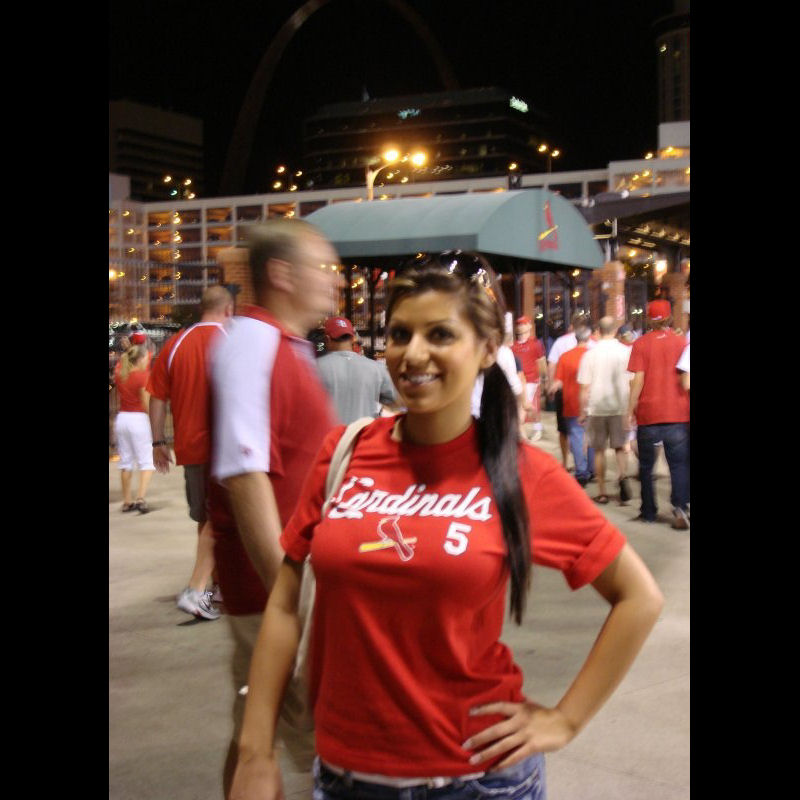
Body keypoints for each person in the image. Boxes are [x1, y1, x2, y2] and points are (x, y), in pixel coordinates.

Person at [229, 250, 663, 800]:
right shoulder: (345, 452)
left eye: (439, 334)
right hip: (342, 776)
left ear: (486, 349)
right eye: (400, 334)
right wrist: (255, 749)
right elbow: (286, 604)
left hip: (474, 779)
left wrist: (565, 719)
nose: (413, 354)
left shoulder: (521, 471)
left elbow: (639, 597)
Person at [207, 218, 340, 796]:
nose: (334, 281)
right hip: (275, 591)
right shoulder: (253, 344)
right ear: (282, 274)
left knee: (256, 738)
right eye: (323, 268)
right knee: (315, 739)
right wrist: (290, 599)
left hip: (287, 586)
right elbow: (245, 476)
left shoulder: (284, 346)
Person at [147, 285, 235, 621]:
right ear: (228, 310)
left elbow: (157, 397)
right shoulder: (231, 341)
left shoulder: (175, 344)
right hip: (227, 449)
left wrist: (158, 443)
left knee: (205, 519)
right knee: (224, 521)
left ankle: (214, 586)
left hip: (191, 449)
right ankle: (202, 589)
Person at [626, 299, 690, 529]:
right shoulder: (682, 342)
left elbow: (638, 380)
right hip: (678, 412)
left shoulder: (641, 344)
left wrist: (630, 409)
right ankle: (680, 508)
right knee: (679, 465)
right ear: (669, 317)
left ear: (648, 319)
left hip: (648, 413)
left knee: (646, 467)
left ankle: (648, 512)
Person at [577, 316, 633, 505]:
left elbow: (584, 387)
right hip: (620, 406)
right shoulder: (625, 352)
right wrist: (631, 409)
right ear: (616, 330)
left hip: (597, 407)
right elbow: (632, 381)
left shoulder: (590, 355)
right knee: (620, 447)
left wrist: (582, 411)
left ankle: (602, 491)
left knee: (599, 450)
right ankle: (622, 475)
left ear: (598, 331)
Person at [315, 315, 401, 424]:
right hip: (363, 433)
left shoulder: (315, 367)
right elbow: (398, 402)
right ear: (352, 338)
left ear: (327, 339)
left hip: (329, 434)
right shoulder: (376, 369)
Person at [546, 312, 595, 470]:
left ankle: (567, 462)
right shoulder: (594, 344)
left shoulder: (561, 342)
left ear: (571, 326)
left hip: (566, 392)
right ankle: (590, 467)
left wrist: (551, 386)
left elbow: (552, 365)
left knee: (565, 431)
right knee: (590, 432)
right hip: (591, 395)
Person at [113, 344, 155, 513]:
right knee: (146, 461)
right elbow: (146, 402)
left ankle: (127, 501)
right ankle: (140, 498)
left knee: (126, 462)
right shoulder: (144, 376)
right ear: (141, 359)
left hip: (122, 418)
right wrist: (154, 421)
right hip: (138, 419)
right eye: (146, 358)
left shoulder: (120, 374)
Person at [511, 316, 546, 441]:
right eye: (518, 324)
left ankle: (522, 433)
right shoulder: (512, 346)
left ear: (529, 326)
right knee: (526, 406)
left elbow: (541, 362)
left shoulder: (535, 344)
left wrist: (543, 379)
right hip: (517, 380)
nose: (520, 326)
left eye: (523, 324)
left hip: (531, 380)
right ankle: (535, 428)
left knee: (524, 406)